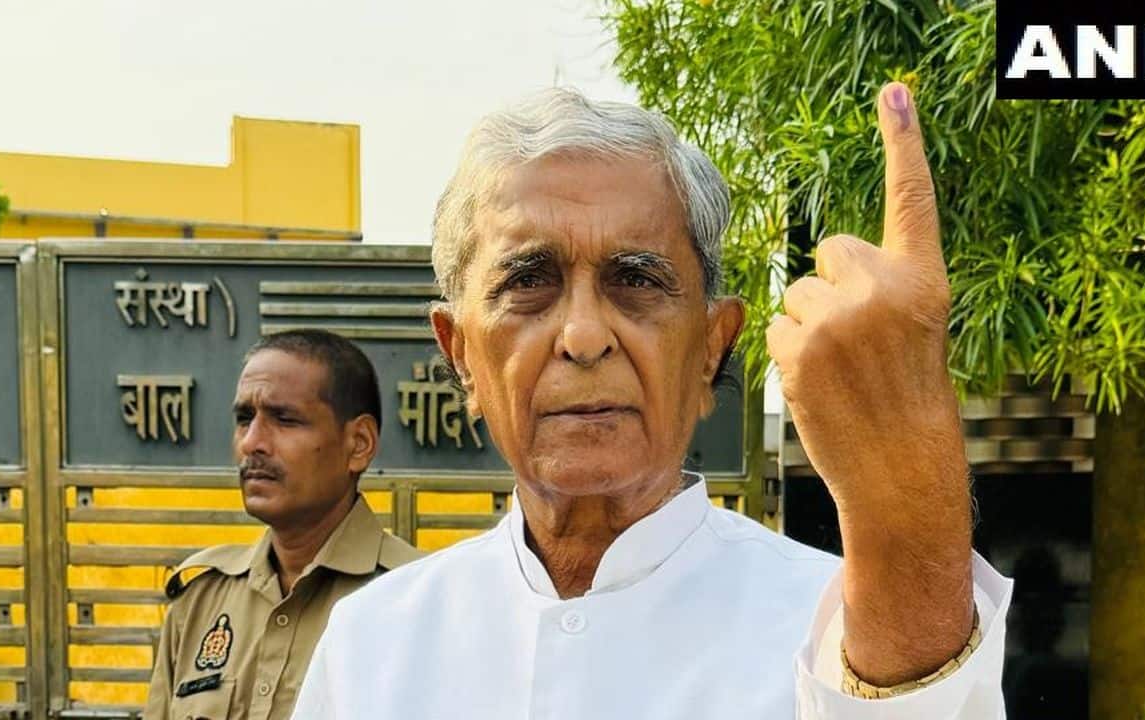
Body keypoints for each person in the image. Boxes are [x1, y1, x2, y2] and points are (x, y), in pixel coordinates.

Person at [293, 83, 1012, 718]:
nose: (581, 335)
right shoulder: (374, 646)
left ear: (711, 347)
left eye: (635, 281)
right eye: (529, 283)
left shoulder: (836, 630)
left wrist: (905, 485)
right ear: (460, 356)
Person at [144, 329, 422, 720]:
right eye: (244, 419)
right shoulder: (200, 603)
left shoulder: (418, 599)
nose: (252, 442)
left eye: (285, 419)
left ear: (358, 443)